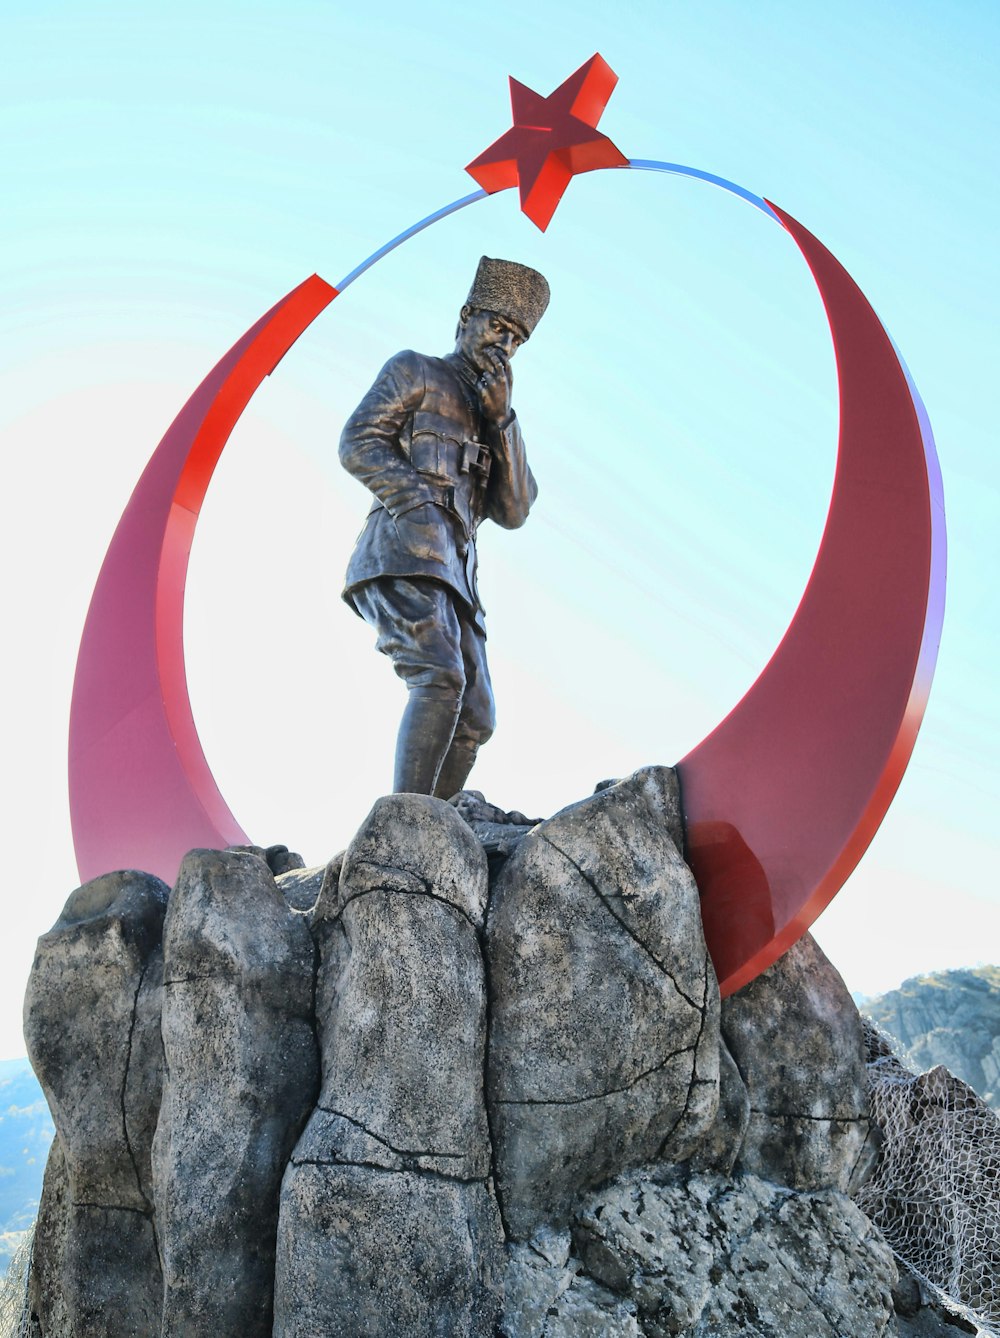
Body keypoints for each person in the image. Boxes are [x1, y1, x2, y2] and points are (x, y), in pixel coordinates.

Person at [340, 256, 549, 797]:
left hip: (458, 574)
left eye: (516, 340)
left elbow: (515, 509)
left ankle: (438, 829)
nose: (503, 344)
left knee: (477, 716)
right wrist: (415, 508)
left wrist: (503, 419)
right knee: (439, 677)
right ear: (465, 317)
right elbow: (358, 441)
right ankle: (406, 823)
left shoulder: (494, 415)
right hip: (404, 552)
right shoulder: (416, 370)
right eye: (497, 327)